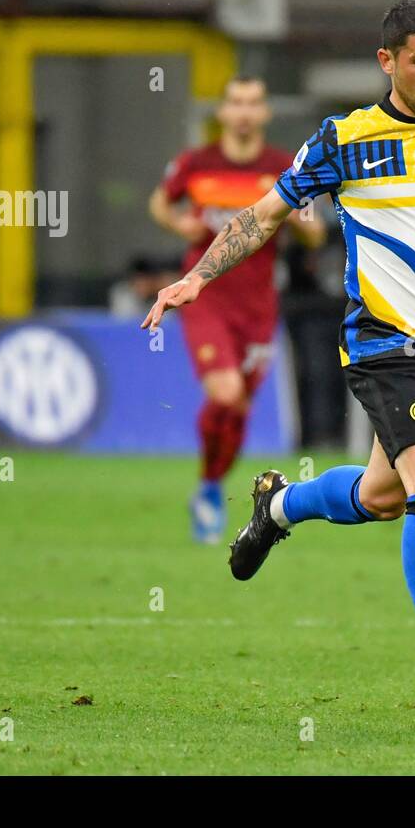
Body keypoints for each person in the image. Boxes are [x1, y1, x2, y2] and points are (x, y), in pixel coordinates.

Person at [142, 0, 415, 709]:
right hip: (383, 343)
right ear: (388, 62)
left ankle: (278, 509)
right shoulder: (345, 140)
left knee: (384, 497)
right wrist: (195, 277)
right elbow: (263, 216)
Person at [148, 76, 325, 543]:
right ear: (223, 113)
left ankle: (209, 485)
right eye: (236, 104)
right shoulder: (196, 163)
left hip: (259, 304)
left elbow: (316, 228)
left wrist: (303, 222)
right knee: (225, 393)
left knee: (239, 405)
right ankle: (209, 489)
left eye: (253, 104)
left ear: (264, 114)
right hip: (207, 297)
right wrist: (179, 223)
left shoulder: (283, 166)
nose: (244, 112)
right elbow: (160, 202)